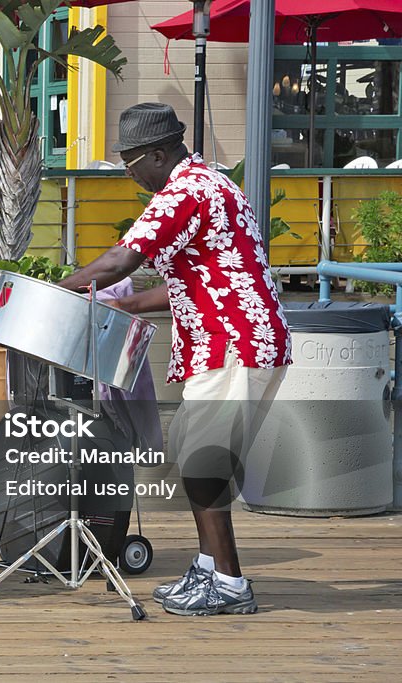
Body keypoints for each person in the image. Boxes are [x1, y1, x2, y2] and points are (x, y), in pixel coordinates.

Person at [57, 103, 292, 616]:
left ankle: (229, 583)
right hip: (241, 338)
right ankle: (210, 569)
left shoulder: (184, 192)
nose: (127, 172)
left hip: (233, 341)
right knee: (197, 450)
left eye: (130, 161)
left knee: (203, 459)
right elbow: (190, 281)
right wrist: (126, 304)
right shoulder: (212, 182)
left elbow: (123, 258)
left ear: (158, 155)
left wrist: (50, 294)